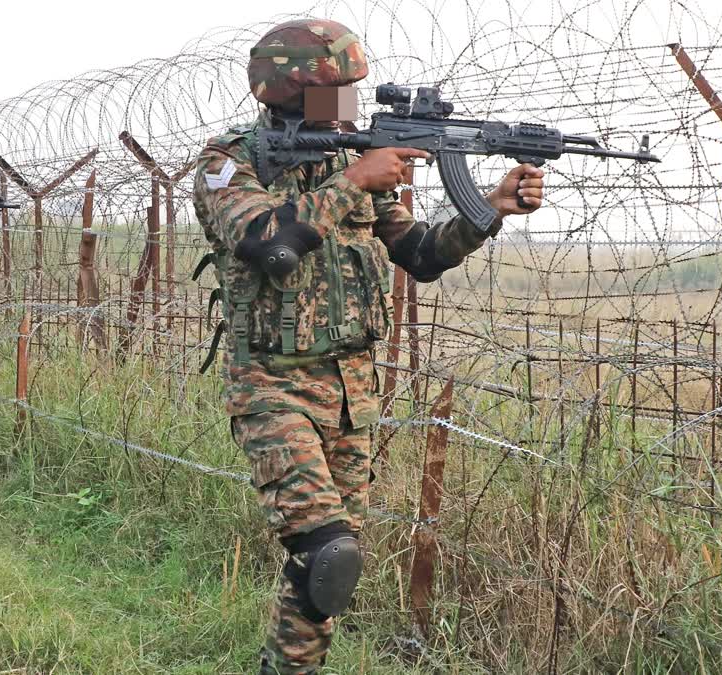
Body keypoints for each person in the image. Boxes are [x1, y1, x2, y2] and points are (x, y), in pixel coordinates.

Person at [192, 19, 545, 674]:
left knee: (329, 575)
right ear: (289, 89)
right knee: (326, 551)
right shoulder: (229, 162)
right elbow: (269, 244)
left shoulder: (348, 163)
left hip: (352, 395)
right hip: (271, 388)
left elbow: (420, 254)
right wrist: (354, 180)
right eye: (335, 92)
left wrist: (488, 209)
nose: (348, 105)